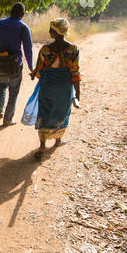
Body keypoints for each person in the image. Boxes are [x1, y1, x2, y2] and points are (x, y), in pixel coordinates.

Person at [30, 18, 81, 158]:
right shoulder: (73, 50)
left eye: (51, 29)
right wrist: (77, 92)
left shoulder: (46, 50)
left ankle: (42, 146)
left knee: (45, 113)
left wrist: (34, 74)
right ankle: (58, 140)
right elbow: (75, 72)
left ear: (56, 32)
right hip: (65, 88)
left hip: (47, 87)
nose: (49, 32)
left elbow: (39, 70)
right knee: (61, 113)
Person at [0, 2, 33, 126]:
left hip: (1, 62)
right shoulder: (24, 28)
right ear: (22, 14)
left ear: (11, 12)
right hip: (15, 64)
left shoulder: (1, 23)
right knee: (13, 91)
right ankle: (8, 119)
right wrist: (31, 67)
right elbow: (28, 49)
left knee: (1, 86)